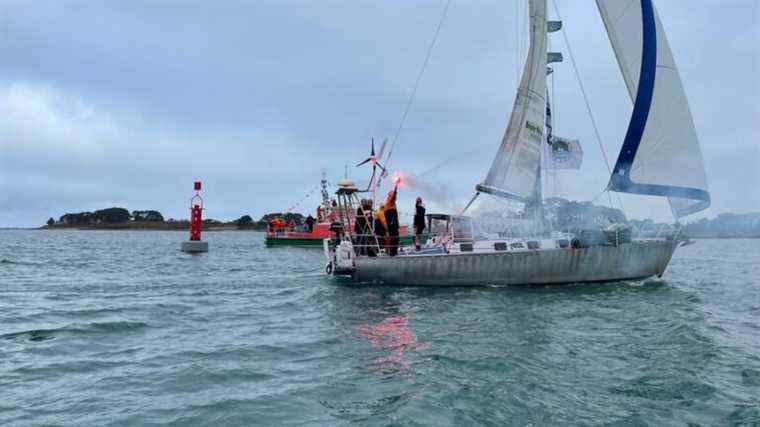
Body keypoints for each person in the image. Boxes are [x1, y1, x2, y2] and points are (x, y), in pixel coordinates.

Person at [383, 189, 400, 256]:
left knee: (396, 239)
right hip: (391, 225)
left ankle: (394, 252)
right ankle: (392, 253)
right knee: (393, 239)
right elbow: (393, 197)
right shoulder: (388, 203)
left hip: (394, 224)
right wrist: (396, 186)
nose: (395, 197)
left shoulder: (393, 204)